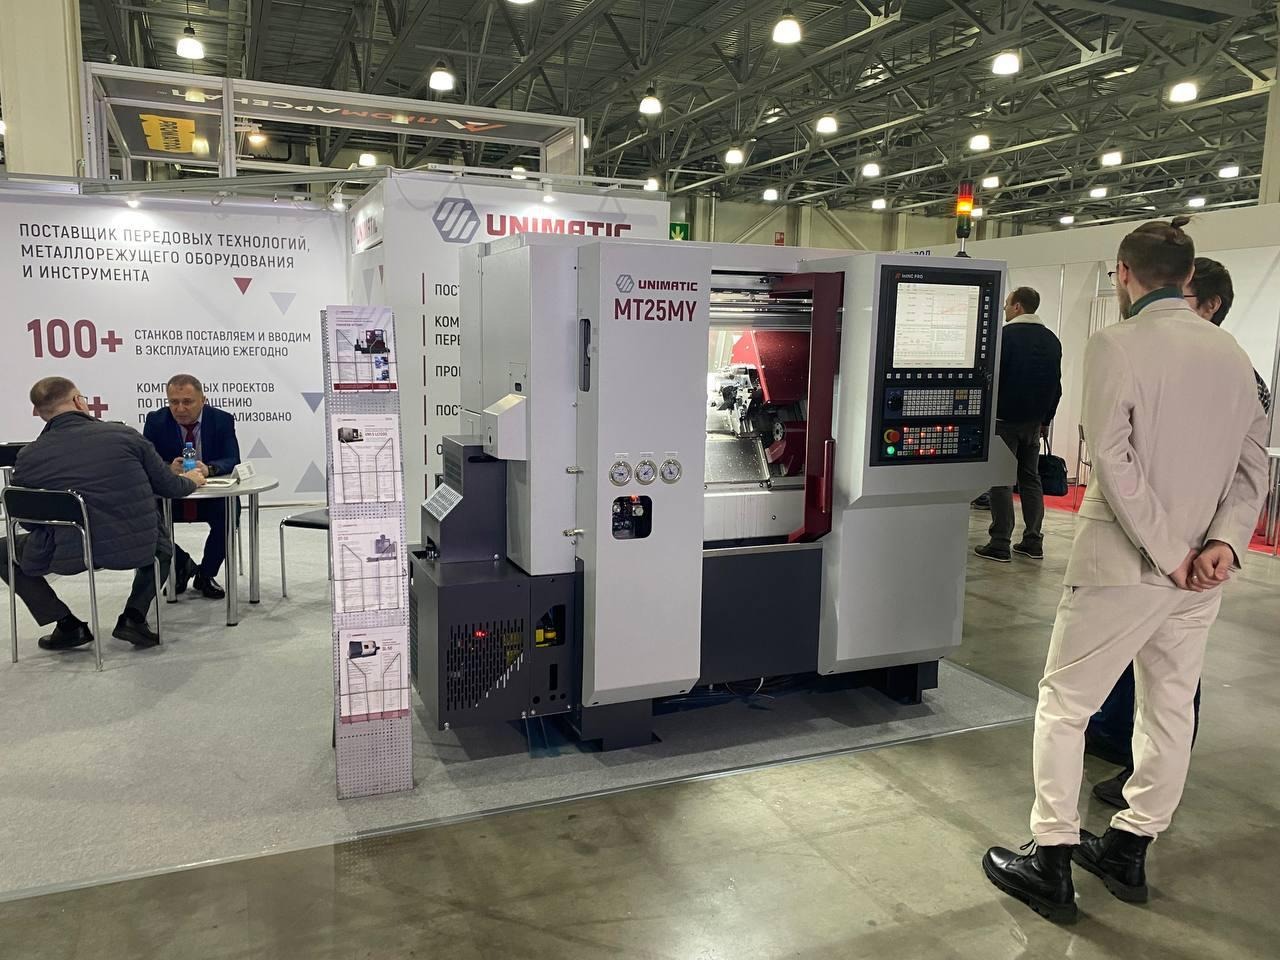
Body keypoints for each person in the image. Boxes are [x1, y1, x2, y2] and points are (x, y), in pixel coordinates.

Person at [981, 219, 1269, 923]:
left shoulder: (1117, 344)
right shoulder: (1234, 355)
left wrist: (1169, 554)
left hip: (1125, 566)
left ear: (1123, 273)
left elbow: (1113, 461)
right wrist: (1223, 545)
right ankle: (1130, 846)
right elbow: (1252, 467)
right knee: (1168, 706)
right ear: (1189, 276)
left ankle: (1051, 856)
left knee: (1064, 704)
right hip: (1201, 575)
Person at [1086, 256, 1272, 807]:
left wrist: (1220, 542)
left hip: (1181, 559)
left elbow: (1248, 469)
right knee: (1145, 674)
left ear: (1211, 305)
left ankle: (1142, 789)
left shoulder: (1236, 373)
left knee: (1169, 687)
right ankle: (1121, 747)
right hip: (1156, 552)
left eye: (1182, 297)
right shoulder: (1157, 360)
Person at [0, 377, 205, 650]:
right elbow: (169, 487)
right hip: (133, 546)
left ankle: (66, 624)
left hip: (66, 551)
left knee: (3, 550)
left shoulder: (28, 456)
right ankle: (134, 617)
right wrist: (192, 479)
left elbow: (28, 521)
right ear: (78, 401)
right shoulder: (126, 436)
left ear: (37, 412)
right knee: (161, 547)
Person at [974, 286, 1062, 563]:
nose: (1004, 309)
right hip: (1034, 423)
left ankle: (1000, 542)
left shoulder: (1004, 337)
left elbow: (990, 378)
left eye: (1007, 304)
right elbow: (1056, 385)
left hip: (1003, 420)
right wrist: (1046, 419)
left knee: (1000, 480)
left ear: (1017, 307)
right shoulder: (1051, 340)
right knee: (1030, 478)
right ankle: (1033, 541)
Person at [143, 375, 240, 600]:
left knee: (230, 513)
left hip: (210, 495)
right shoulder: (155, 421)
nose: (180, 408)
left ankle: (206, 575)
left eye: (187, 402)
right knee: (144, 521)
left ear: (203, 400)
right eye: (173, 402)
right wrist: (167, 467)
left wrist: (210, 469)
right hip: (171, 496)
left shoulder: (222, 420)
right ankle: (182, 564)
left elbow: (232, 458)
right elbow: (146, 460)